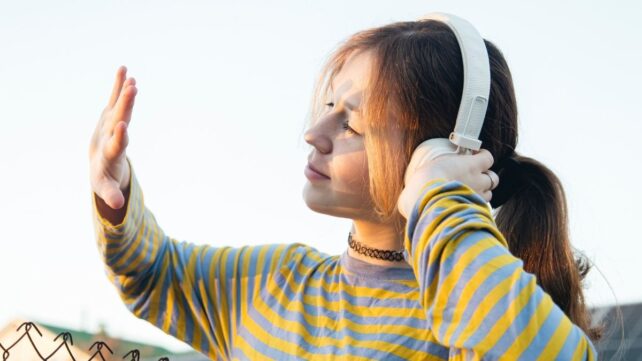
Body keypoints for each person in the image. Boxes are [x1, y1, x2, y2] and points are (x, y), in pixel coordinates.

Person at [89, 19, 599, 360]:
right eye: (328, 107)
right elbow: (155, 275)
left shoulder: (466, 318)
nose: (313, 134)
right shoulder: (272, 281)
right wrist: (115, 197)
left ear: (443, 153)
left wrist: (440, 201)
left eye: (352, 123)